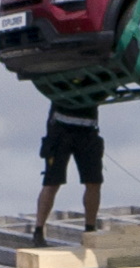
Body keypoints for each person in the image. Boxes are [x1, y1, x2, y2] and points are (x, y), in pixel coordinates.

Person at [32, 103, 103, 247]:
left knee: (94, 181)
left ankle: (90, 230)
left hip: (88, 128)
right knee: (52, 182)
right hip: (60, 127)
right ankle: (38, 231)